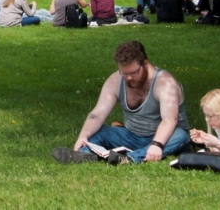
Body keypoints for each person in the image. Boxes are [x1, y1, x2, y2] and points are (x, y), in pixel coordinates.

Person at [54, 40, 191, 164]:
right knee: (99, 130)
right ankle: (83, 154)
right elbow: (98, 113)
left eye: (133, 73)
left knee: (181, 136)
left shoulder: (165, 83)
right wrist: (83, 137)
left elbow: (169, 120)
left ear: (145, 64)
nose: (128, 78)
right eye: (124, 73)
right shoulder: (115, 80)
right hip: (131, 136)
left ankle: (130, 158)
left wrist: (157, 144)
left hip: (165, 137)